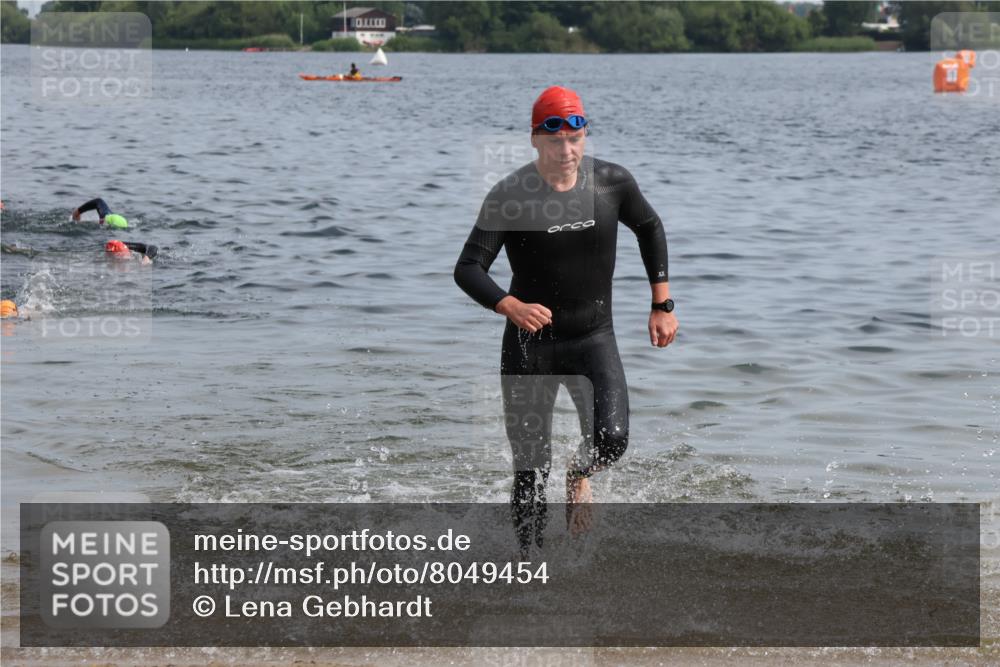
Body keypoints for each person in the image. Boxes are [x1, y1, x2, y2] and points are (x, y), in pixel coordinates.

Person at [454, 85, 678, 555]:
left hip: (593, 337)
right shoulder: (510, 195)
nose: (566, 150)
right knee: (531, 469)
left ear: (585, 137)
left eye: (575, 139)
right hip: (528, 345)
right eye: (555, 140)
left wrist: (662, 303)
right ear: (536, 140)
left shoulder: (612, 184)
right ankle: (528, 566)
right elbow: (468, 268)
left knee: (611, 441)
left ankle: (580, 476)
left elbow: (649, 226)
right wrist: (508, 305)